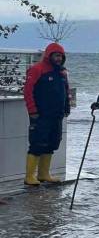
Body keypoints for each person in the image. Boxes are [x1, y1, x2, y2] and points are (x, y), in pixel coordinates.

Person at [23, 42, 71, 185]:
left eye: (61, 56)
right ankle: (29, 176)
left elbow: (66, 91)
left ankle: (43, 174)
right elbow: (28, 91)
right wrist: (32, 111)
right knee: (37, 143)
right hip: (41, 115)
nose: (59, 59)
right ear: (49, 55)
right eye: (56, 56)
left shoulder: (62, 72)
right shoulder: (37, 69)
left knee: (52, 143)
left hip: (56, 115)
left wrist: (67, 108)